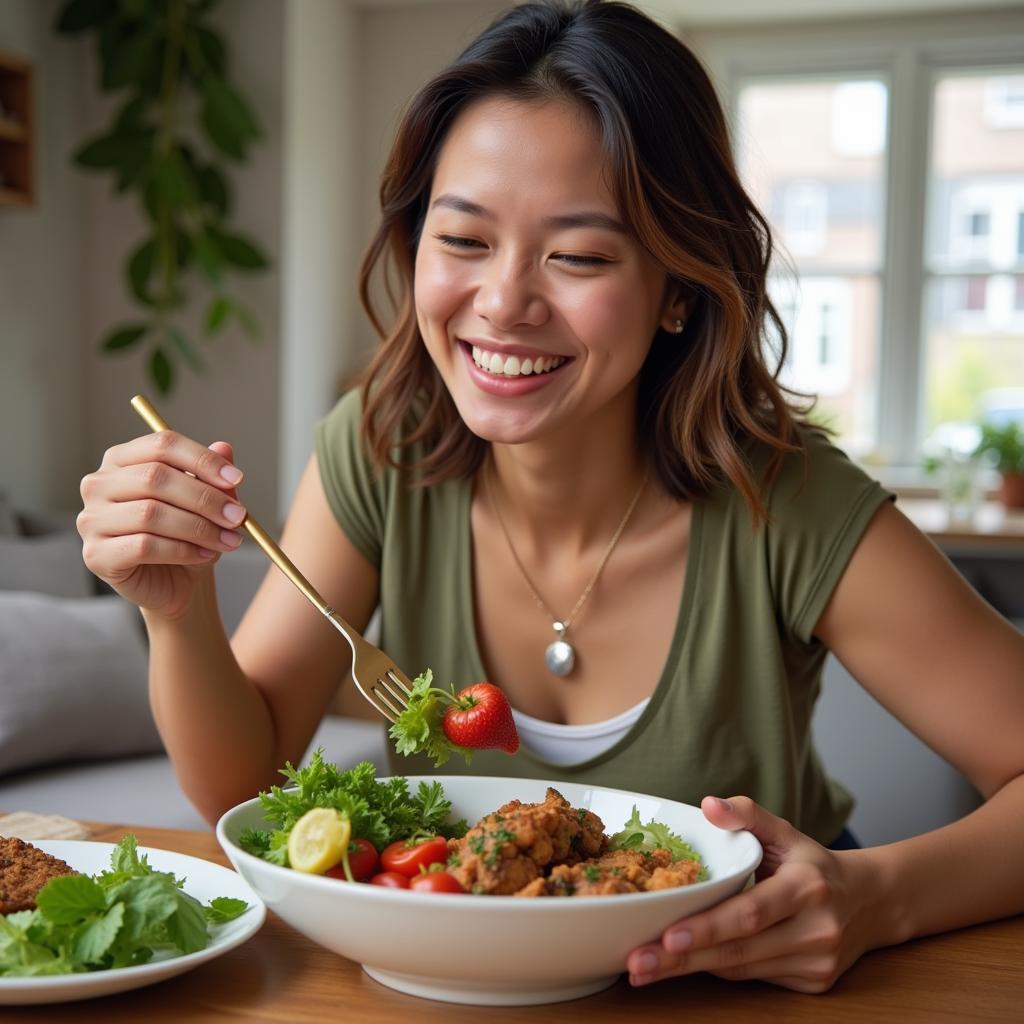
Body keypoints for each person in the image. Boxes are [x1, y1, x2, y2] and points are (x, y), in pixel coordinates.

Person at [78, 0, 1024, 994]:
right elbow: (248, 787)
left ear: (678, 290)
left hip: (741, 984)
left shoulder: (787, 503)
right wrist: (174, 613)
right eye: (464, 239)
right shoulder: (378, 451)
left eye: (576, 255)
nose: (502, 302)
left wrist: (879, 896)